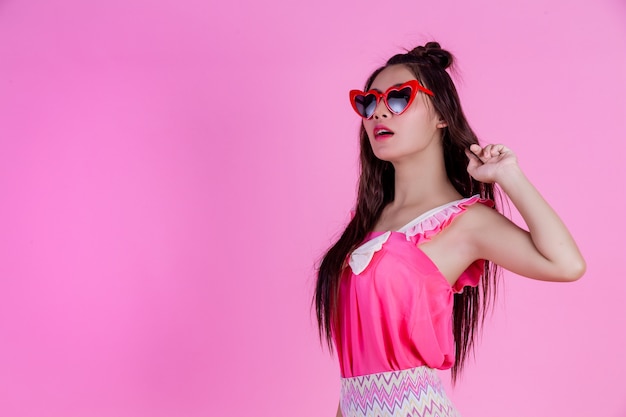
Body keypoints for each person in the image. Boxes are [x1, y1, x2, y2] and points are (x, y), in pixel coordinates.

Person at [313, 41, 585, 417]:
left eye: (398, 99)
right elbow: (357, 375)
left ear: (442, 114)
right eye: (368, 102)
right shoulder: (365, 223)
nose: (378, 113)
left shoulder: (465, 222)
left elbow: (566, 264)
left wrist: (509, 176)